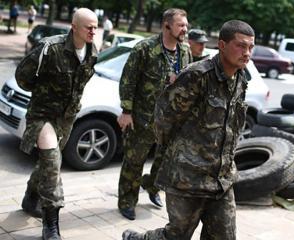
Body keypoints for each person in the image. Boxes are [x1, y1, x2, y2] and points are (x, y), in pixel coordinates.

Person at [122, 19, 255, 240]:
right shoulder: (197, 76)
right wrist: (182, 155)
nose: (247, 52)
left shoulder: (241, 79)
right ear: (222, 45)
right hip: (188, 178)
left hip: (221, 179)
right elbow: (164, 119)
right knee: (177, 235)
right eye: (241, 46)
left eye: (251, 47)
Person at [15, 8, 98, 240]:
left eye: (95, 26)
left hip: (67, 118)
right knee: (53, 162)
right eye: (88, 27)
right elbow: (23, 77)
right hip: (43, 114)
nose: (93, 31)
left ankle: (30, 197)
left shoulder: (93, 52)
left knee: (49, 162)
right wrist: (43, 94)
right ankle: (51, 225)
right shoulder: (50, 48)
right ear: (74, 26)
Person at [117, 8, 192, 220]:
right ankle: (127, 201)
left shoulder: (185, 52)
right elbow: (128, 80)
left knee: (165, 160)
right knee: (134, 161)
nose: (185, 29)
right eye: (180, 25)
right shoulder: (145, 49)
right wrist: (126, 111)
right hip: (143, 118)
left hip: (171, 120)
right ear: (166, 25)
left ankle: (152, 187)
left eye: (186, 25)